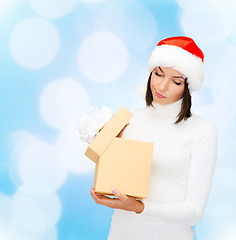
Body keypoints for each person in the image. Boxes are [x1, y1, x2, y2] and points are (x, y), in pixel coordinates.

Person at [90, 36, 218, 240]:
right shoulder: (127, 119)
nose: (162, 86)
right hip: (121, 232)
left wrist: (140, 207)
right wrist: (106, 147)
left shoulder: (202, 131)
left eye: (176, 81)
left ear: (188, 87)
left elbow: (193, 213)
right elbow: (112, 177)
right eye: (158, 74)